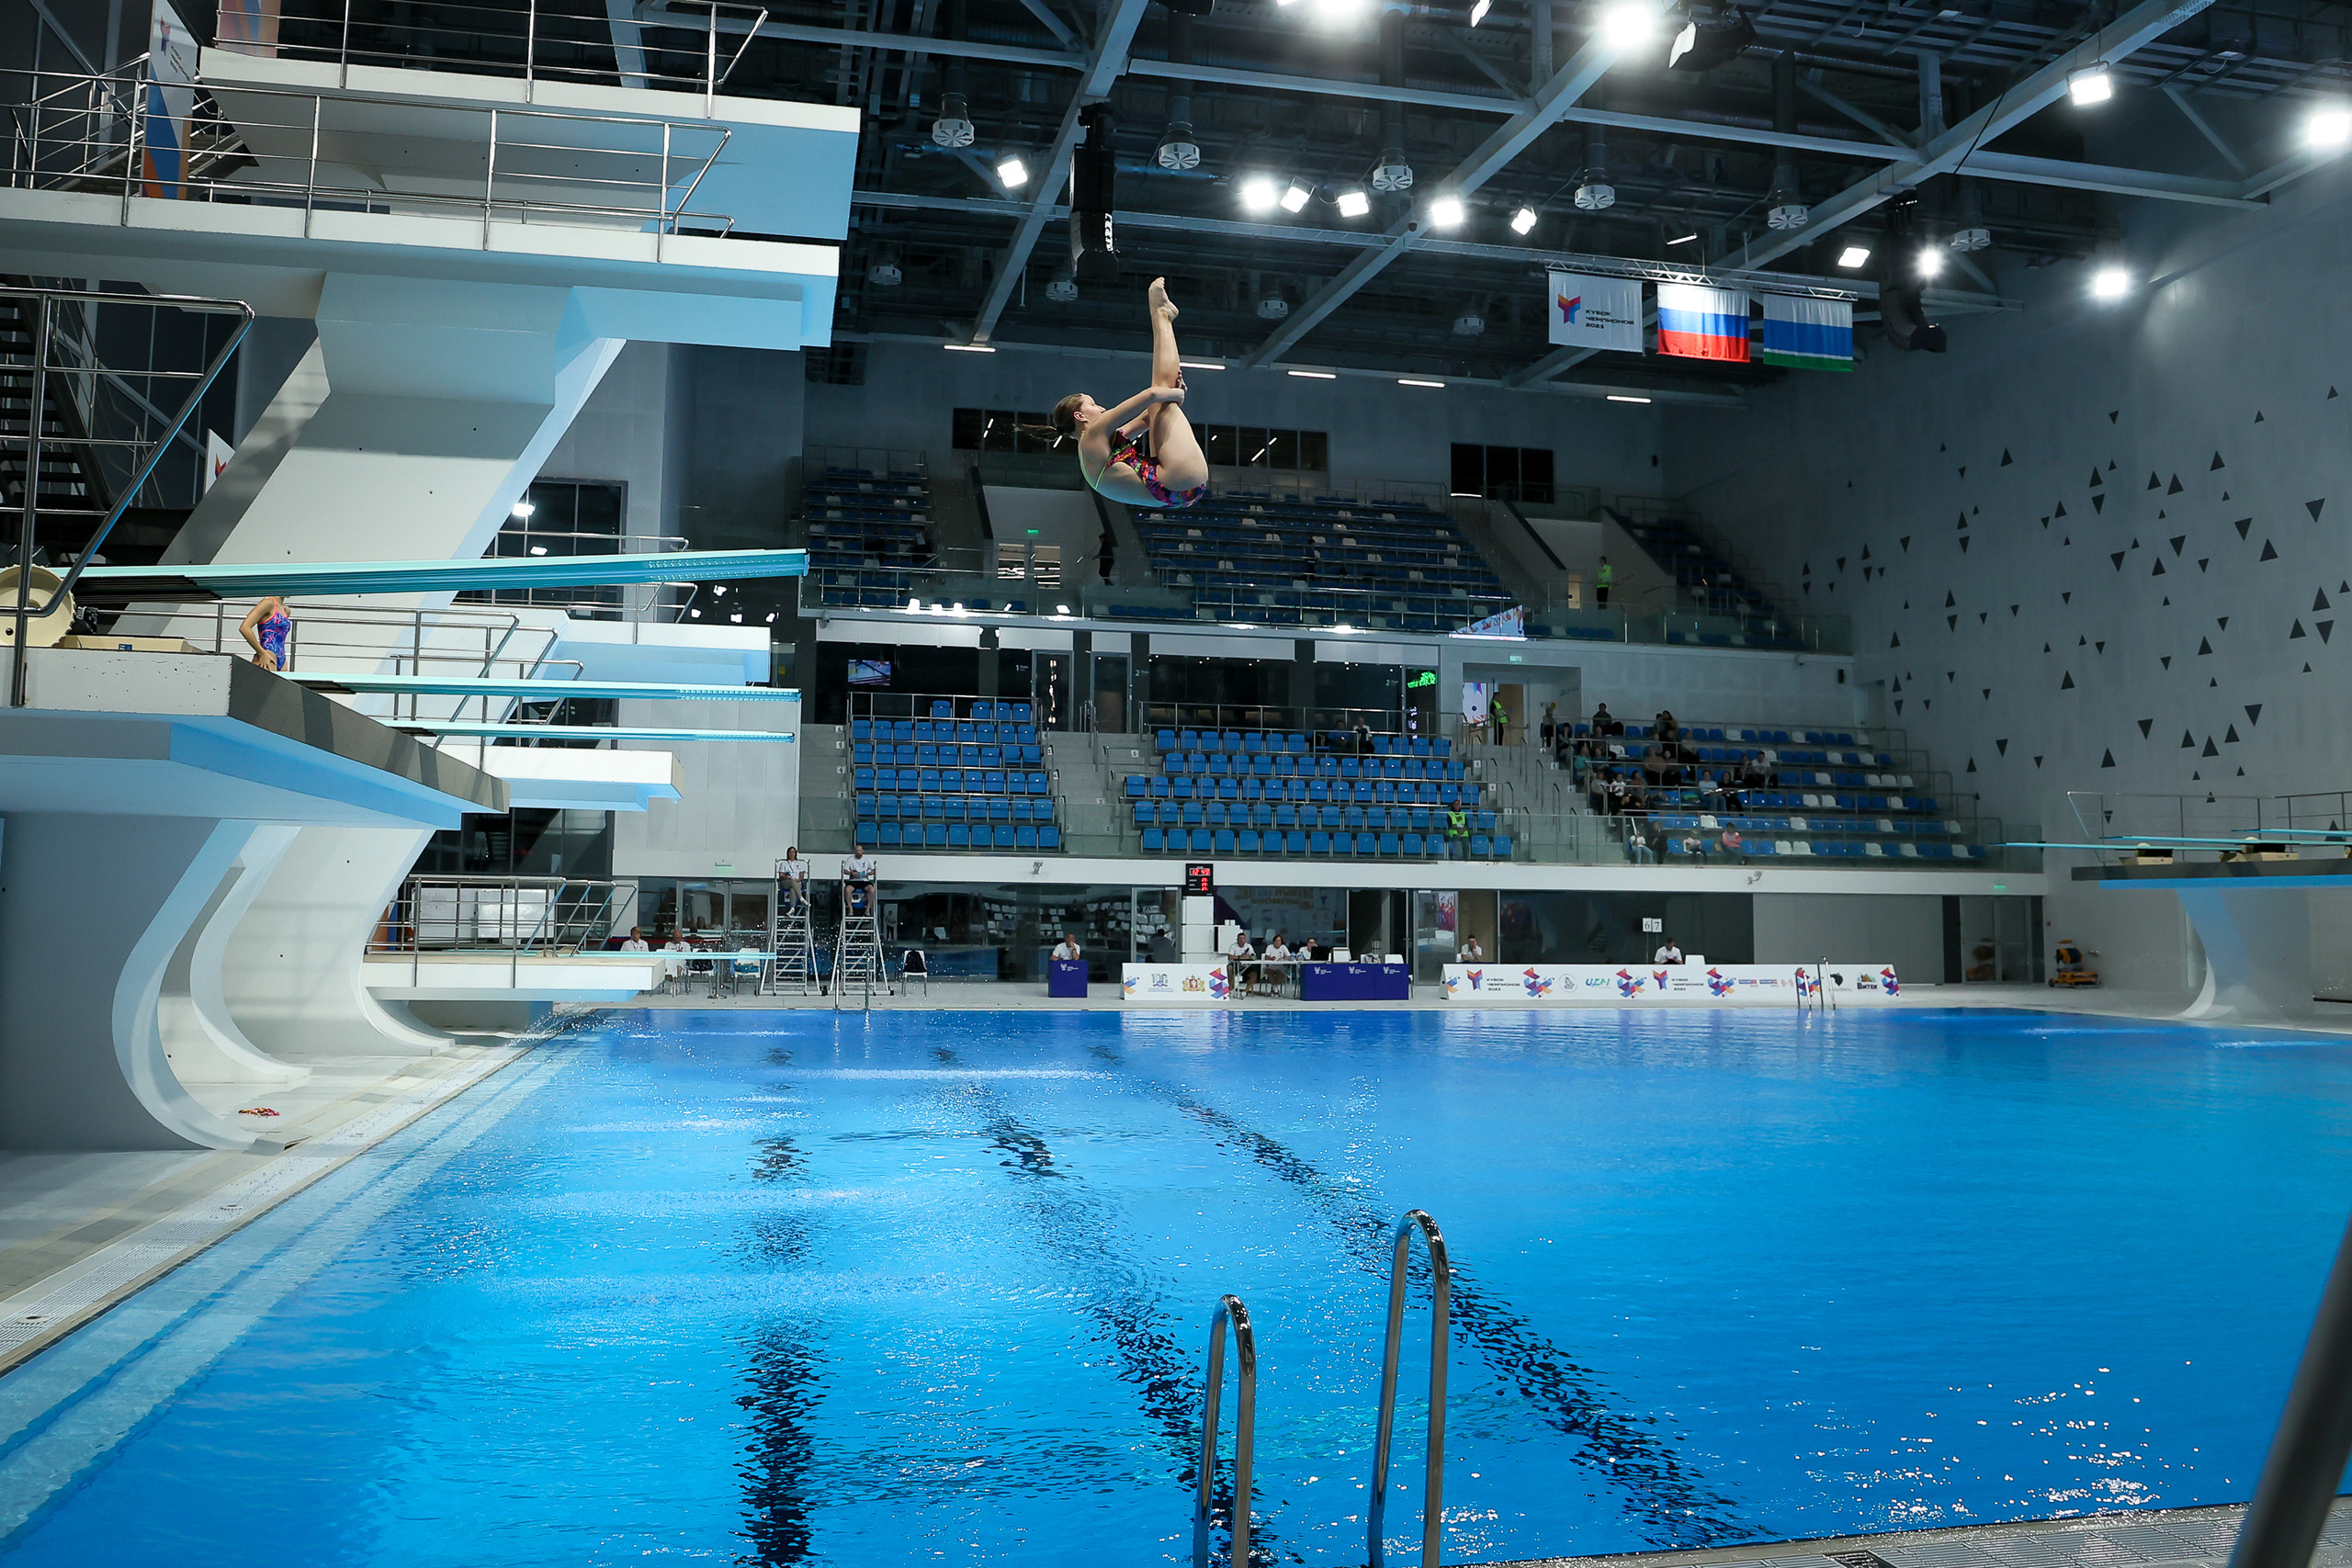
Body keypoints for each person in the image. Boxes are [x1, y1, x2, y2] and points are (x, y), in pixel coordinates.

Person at [1053, 278, 1208, 511]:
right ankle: (1161, 315)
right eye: (1093, 404)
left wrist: (1173, 394)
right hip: (1175, 481)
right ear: (1080, 416)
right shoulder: (1091, 436)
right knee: (1162, 392)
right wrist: (1174, 393)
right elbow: (1151, 394)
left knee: (1162, 402)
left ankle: (1162, 315)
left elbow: (1147, 418)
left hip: (1176, 490)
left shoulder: (1095, 449)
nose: (1101, 408)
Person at [240, 594, 292, 672]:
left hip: (282, 658)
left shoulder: (286, 610)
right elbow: (244, 628)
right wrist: (262, 652)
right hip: (268, 654)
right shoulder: (268, 603)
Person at [842, 840, 878, 918]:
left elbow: (874, 870)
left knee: (872, 890)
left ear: (862, 851)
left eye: (859, 850)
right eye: (856, 850)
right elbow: (844, 870)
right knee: (847, 889)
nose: (858, 852)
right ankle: (850, 908)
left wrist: (867, 874)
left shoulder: (867, 859)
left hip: (864, 880)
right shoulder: (850, 859)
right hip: (853, 880)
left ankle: (867, 909)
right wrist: (852, 873)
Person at [777, 847, 808, 915]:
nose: (791, 854)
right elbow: (781, 875)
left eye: (793, 852)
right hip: (786, 882)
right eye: (790, 852)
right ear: (788, 853)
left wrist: (798, 879)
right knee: (792, 882)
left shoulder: (800, 863)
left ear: (795, 853)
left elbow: (801, 876)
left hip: (797, 882)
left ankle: (792, 908)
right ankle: (801, 898)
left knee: (792, 889)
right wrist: (786, 877)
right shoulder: (784, 863)